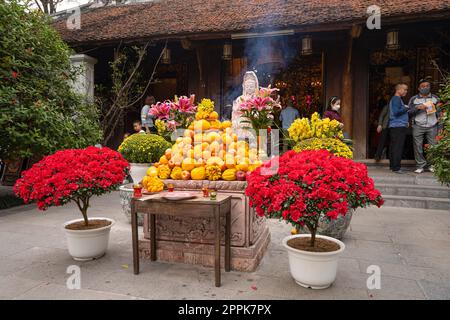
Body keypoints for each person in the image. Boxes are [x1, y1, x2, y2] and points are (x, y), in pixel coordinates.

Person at [408, 79, 441, 174]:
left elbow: (440, 113)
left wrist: (440, 126)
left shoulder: (435, 98)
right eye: (423, 86)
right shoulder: (414, 99)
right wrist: (417, 108)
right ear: (419, 88)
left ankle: (432, 165)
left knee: (433, 146)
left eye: (427, 86)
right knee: (418, 146)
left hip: (433, 125)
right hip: (418, 125)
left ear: (430, 87)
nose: (425, 88)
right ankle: (420, 165)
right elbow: (408, 112)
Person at [388, 83, 409, 174]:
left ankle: (393, 166)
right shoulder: (396, 99)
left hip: (395, 126)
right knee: (398, 147)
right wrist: (406, 108)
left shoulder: (396, 99)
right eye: (404, 89)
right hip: (398, 126)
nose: (406, 91)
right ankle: (396, 168)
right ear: (398, 90)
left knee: (394, 146)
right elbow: (396, 112)